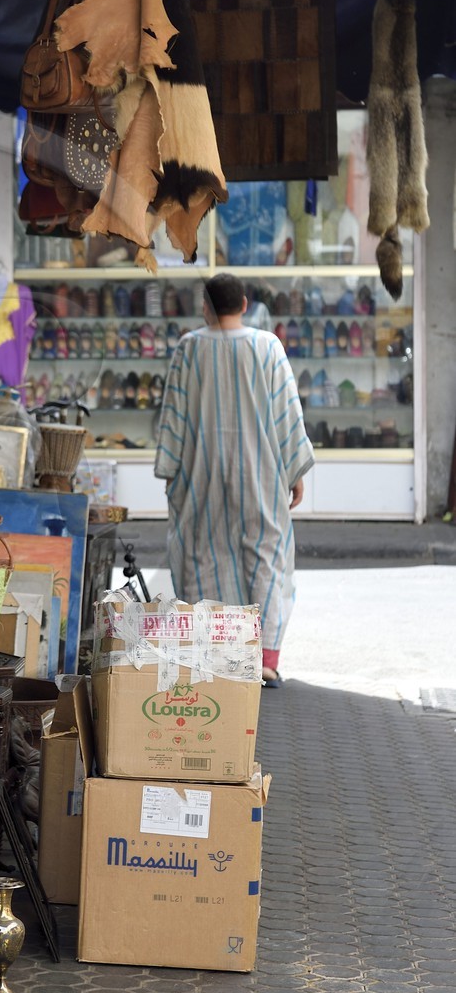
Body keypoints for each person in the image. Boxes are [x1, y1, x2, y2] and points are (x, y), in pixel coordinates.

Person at [154, 273, 314, 685]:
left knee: (202, 555)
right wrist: (294, 471)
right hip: (260, 474)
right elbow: (287, 414)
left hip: (200, 476)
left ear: (205, 307)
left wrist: (170, 471)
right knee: (268, 558)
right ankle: (266, 660)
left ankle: (214, 653)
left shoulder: (190, 348)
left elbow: (173, 415)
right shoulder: (268, 346)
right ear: (244, 304)